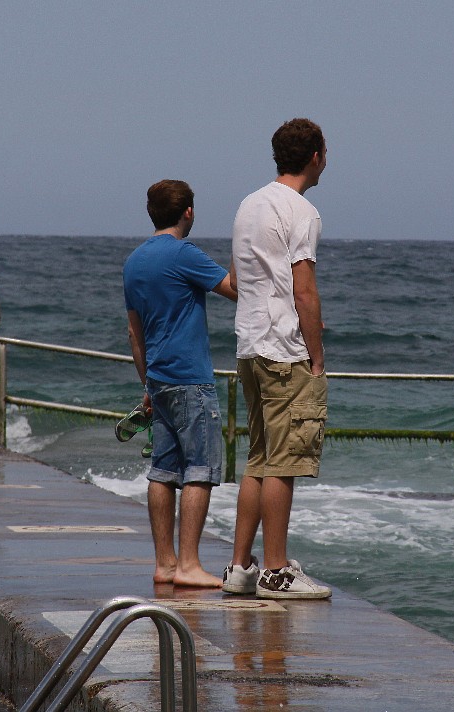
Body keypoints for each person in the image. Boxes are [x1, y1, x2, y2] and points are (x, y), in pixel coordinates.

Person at [223, 118, 332, 600]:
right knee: (284, 462)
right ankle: (276, 571)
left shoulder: (249, 204)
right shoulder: (302, 210)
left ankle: (240, 567)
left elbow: (239, 278)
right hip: (284, 348)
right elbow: (304, 290)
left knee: (259, 458)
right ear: (315, 156)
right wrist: (317, 355)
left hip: (249, 344)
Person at [123, 179, 237, 587]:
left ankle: (165, 563)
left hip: (158, 379)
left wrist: (148, 385)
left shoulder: (134, 262)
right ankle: (189, 564)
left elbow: (135, 334)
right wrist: (244, 248)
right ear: (187, 212)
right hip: (191, 380)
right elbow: (234, 289)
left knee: (162, 471)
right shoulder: (184, 254)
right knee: (200, 470)